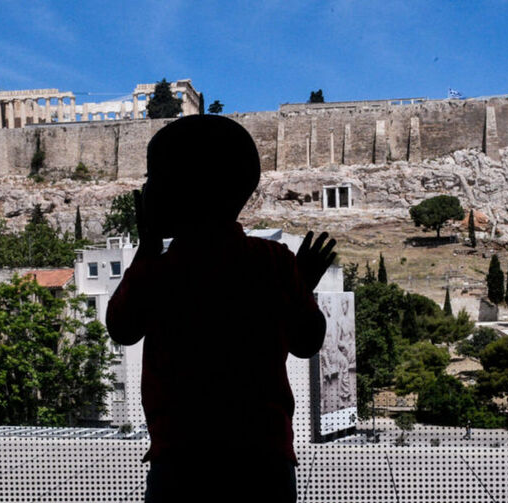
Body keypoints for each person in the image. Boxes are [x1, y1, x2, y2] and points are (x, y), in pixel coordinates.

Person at [105, 115, 336, 502]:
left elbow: (122, 328)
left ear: (182, 191)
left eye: (152, 178)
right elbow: (307, 341)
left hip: (182, 464)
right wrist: (302, 287)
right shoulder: (272, 261)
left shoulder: (163, 270)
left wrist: (146, 251)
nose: (144, 190)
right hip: (264, 463)